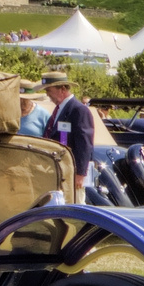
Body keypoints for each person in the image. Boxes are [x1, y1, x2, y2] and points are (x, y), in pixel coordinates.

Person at [41, 72, 95, 201]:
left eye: (49, 90)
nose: (47, 94)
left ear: (63, 89)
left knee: (74, 210)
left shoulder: (78, 110)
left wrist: (80, 174)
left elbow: (84, 144)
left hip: (72, 175)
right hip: (59, 173)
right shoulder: (60, 110)